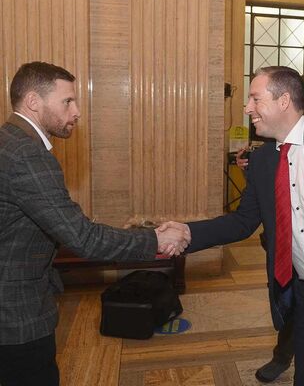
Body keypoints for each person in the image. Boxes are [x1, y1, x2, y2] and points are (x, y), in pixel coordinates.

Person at [160, 66, 304, 385]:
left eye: (255, 98)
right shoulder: (263, 162)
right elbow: (243, 221)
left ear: (284, 100)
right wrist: (188, 232)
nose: (247, 108)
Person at [0, 61, 190, 386]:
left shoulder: (9, 141)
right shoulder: (27, 156)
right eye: (67, 101)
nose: (76, 112)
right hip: (18, 313)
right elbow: (82, 237)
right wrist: (154, 241)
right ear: (33, 101)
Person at [233, 99, 304, 383]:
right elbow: (259, 202)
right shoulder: (273, 154)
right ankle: (281, 357)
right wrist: (247, 170)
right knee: (289, 305)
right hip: (282, 248)